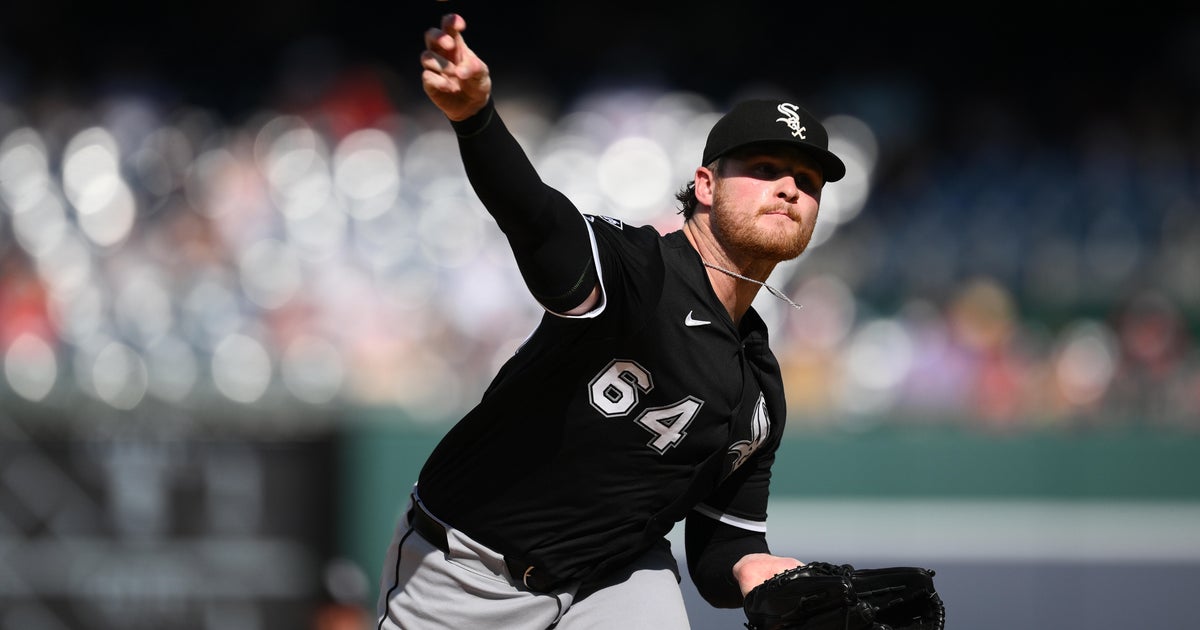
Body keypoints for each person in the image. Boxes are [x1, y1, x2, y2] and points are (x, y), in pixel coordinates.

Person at [376, 13, 847, 630]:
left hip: (613, 579)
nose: (789, 188)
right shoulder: (637, 272)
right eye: (763, 169)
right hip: (467, 570)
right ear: (705, 185)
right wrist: (476, 120)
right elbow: (539, 221)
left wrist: (759, 574)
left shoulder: (759, 390)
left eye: (807, 181)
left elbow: (719, 550)